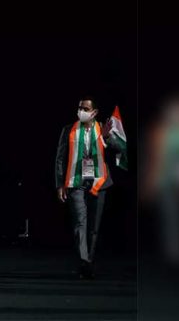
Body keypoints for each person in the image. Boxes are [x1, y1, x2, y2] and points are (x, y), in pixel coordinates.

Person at [55, 96, 124, 279]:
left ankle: (89, 262)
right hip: (75, 181)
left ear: (94, 112)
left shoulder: (102, 128)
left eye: (85, 108)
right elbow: (60, 159)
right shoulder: (69, 130)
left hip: (98, 183)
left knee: (93, 226)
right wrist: (59, 184)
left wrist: (109, 136)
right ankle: (84, 262)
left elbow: (119, 148)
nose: (81, 111)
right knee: (80, 224)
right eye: (80, 108)